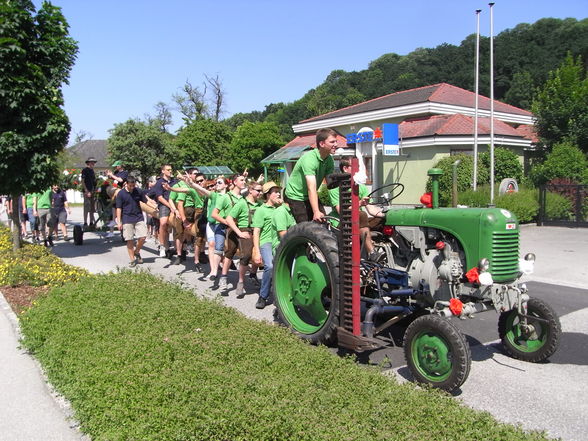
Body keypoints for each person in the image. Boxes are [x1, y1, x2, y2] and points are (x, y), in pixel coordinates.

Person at [328, 159, 385, 259]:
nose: (358, 169)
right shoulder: (335, 189)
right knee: (361, 214)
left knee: (381, 219)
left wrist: (385, 215)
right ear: (345, 168)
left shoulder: (361, 187)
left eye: (358, 166)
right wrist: (359, 203)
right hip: (342, 222)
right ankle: (372, 252)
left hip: (358, 221)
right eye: (355, 166)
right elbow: (341, 211)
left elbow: (371, 209)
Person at [284, 128, 336, 223]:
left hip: (309, 195)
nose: (336, 145)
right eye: (332, 142)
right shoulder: (309, 159)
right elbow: (311, 188)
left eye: (336, 141)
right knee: (306, 227)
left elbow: (331, 185)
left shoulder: (329, 160)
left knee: (322, 222)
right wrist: (316, 211)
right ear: (322, 144)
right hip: (296, 196)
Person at [225, 180, 263, 298]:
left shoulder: (260, 204)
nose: (260, 193)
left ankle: (252, 274)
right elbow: (229, 219)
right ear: (250, 191)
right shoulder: (242, 203)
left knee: (259, 252)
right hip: (244, 229)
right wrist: (239, 233)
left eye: (261, 191)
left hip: (256, 230)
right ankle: (241, 281)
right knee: (246, 254)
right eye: (258, 190)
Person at [252, 182, 282, 309]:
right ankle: (263, 296)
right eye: (275, 192)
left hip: (280, 242)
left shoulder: (280, 209)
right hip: (266, 242)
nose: (278, 193)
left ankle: (280, 296)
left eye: (278, 191)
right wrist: (257, 251)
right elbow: (256, 232)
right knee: (269, 266)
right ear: (268, 195)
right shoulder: (261, 210)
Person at [213, 174, 246, 291]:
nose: (244, 182)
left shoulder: (243, 198)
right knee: (229, 252)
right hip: (229, 228)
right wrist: (226, 222)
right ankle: (223, 277)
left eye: (244, 180)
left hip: (242, 227)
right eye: (241, 180)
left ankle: (246, 278)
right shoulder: (226, 197)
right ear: (235, 182)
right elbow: (214, 214)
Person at [115, 176, 148, 267]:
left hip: (138, 217)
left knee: (143, 237)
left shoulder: (138, 191)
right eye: (131, 186)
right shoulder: (121, 194)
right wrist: (119, 221)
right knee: (129, 240)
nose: (132, 187)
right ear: (126, 184)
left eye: (134, 185)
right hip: (127, 218)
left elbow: (146, 200)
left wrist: (154, 206)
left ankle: (136, 251)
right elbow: (118, 208)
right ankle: (132, 259)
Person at [152, 164, 179, 258]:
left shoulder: (175, 181)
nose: (170, 171)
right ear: (163, 171)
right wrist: (170, 206)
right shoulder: (159, 182)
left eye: (171, 169)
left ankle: (180, 248)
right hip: (165, 204)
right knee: (163, 223)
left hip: (174, 204)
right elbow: (160, 197)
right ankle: (162, 245)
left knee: (177, 224)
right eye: (168, 170)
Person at [81, 157, 97, 229]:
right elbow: (83, 181)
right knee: (87, 207)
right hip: (87, 191)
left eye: (93, 162)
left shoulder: (92, 171)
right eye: (92, 162)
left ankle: (91, 222)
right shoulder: (85, 170)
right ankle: (85, 222)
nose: (93, 163)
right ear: (88, 163)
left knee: (92, 208)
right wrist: (86, 191)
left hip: (92, 190)